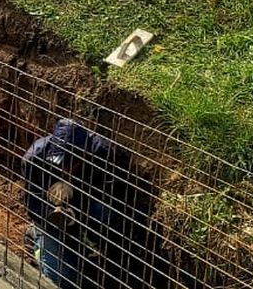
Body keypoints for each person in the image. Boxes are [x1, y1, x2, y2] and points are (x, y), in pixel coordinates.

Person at [22, 119, 164, 289]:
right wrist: (53, 212)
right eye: (60, 162)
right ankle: (37, 238)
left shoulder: (103, 152)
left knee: (107, 217)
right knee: (62, 281)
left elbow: (117, 197)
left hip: (92, 210)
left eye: (71, 162)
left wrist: (75, 195)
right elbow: (32, 205)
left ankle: (103, 251)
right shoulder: (34, 159)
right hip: (54, 223)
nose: (64, 168)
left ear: (85, 152)